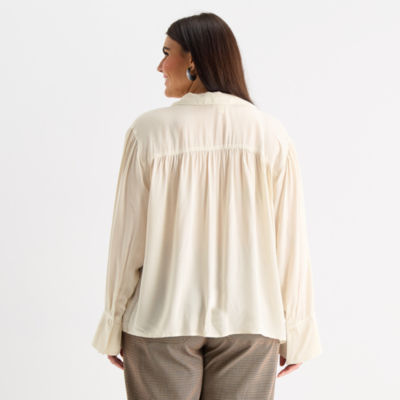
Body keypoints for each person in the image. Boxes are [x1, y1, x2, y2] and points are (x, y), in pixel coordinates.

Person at [91, 11, 322, 400]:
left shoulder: (148, 132)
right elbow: (290, 245)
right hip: (251, 323)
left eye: (167, 53)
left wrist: (113, 322)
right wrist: (297, 331)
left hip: (161, 320)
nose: (160, 66)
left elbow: (128, 241)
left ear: (194, 60)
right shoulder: (270, 134)